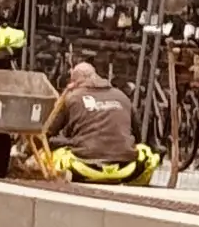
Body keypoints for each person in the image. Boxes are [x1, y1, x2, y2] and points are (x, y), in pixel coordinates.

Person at [37, 58, 158, 186]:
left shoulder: (72, 98)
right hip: (126, 170)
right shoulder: (122, 96)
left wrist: (27, 152)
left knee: (46, 156)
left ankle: (66, 175)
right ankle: (136, 184)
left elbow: (46, 133)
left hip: (83, 167)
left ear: (74, 82)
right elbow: (138, 136)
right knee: (146, 153)